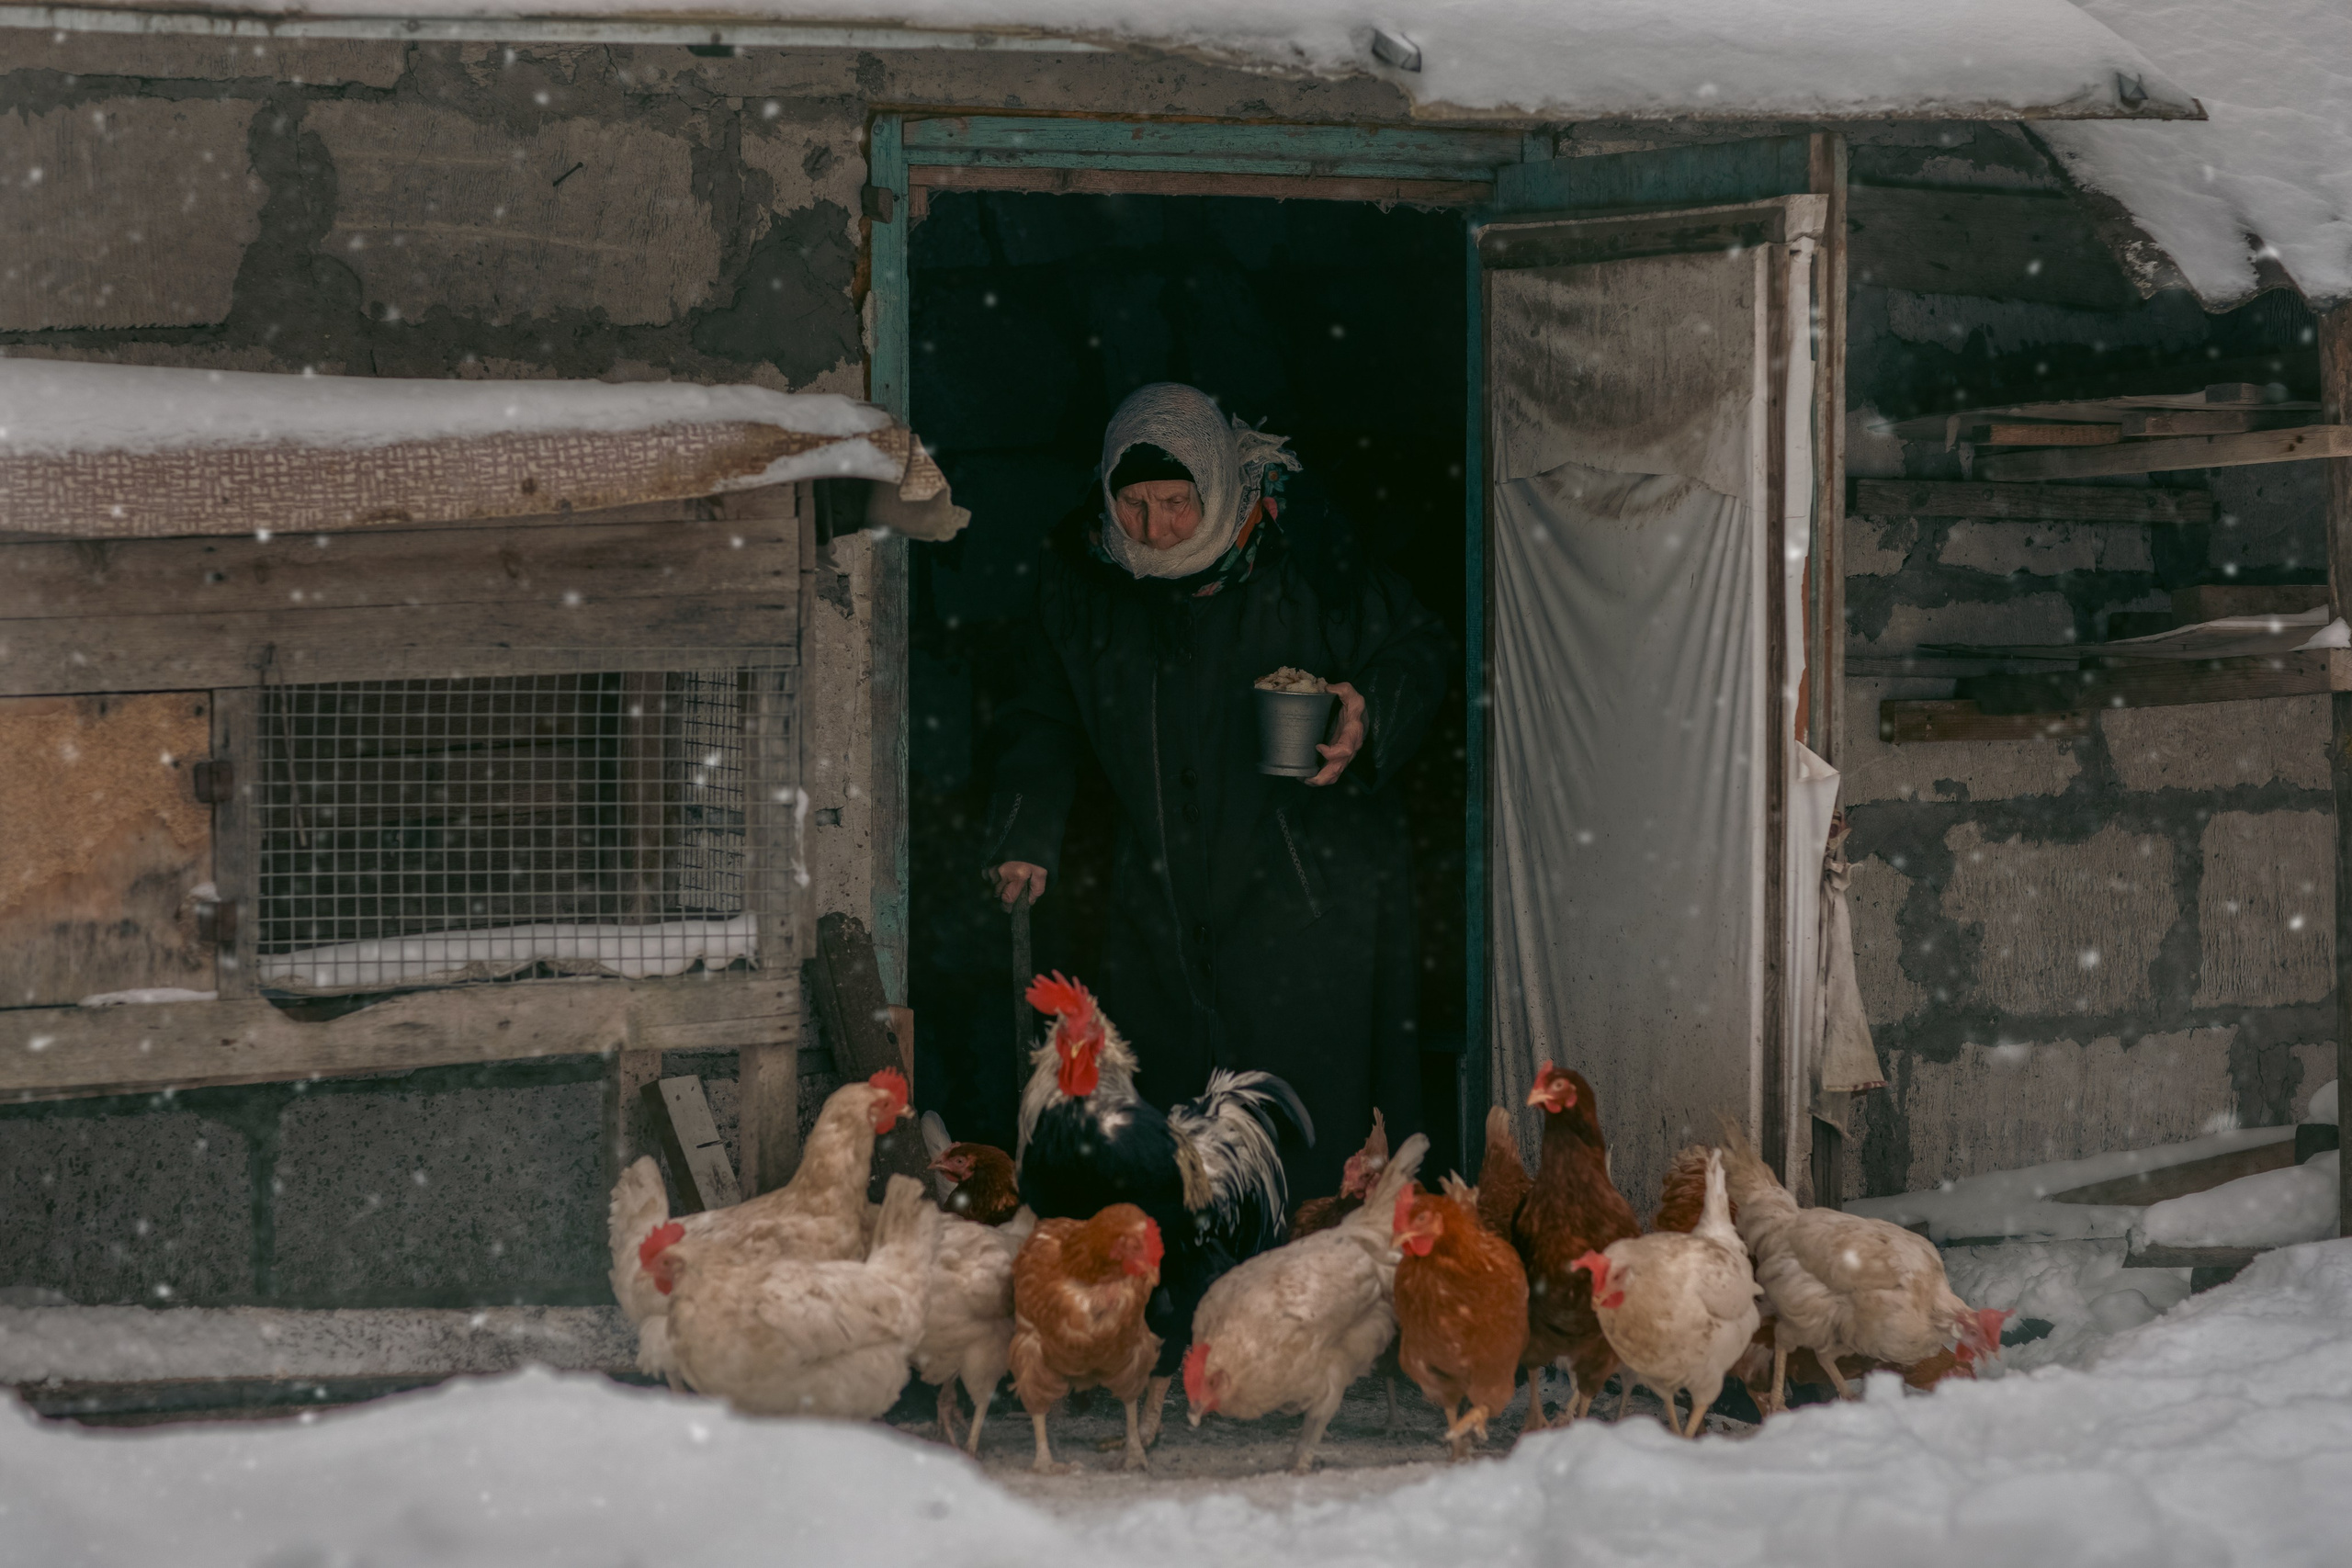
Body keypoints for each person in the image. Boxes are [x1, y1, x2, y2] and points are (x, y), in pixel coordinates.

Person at [981, 382, 1449, 1194]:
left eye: (1176, 502)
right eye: (1132, 503)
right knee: (1171, 1136)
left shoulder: (1306, 557)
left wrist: (1363, 716)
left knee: (1306, 1136)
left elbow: (1418, 645)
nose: (1154, 528)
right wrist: (1025, 829)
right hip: (1159, 894)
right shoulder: (1083, 581)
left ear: (1218, 481)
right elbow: (1041, 714)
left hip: (1301, 893)